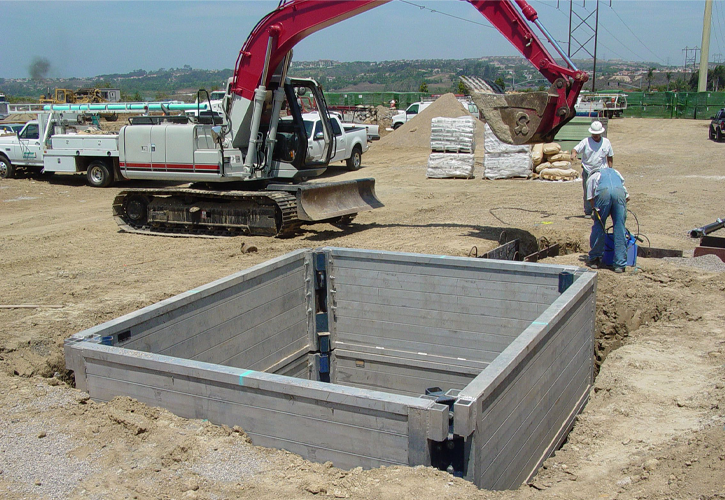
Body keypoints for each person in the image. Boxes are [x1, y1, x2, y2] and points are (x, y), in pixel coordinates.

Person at [586, 167, 630, 273]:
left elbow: (591, 198)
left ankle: (595, 259)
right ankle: (620, 264)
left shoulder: (592, 178)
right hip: (619, 193)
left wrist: (595, 212)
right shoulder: (616, 172)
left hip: (603, 193)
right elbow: (627, 197)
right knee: (620, 227)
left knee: (599, 225)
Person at [571, 120, 613, 216]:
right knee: (587, 191)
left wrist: (610, 169)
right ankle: (588, 211)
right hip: (588, 170)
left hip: (601, 170)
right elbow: (575, 149)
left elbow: (610, 156)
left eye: (597, 134)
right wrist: (573, 154)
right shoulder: (586, 142)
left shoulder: (606, 142)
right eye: (594, 134)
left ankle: (600, 210)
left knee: (601, 190)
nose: (595, 136)